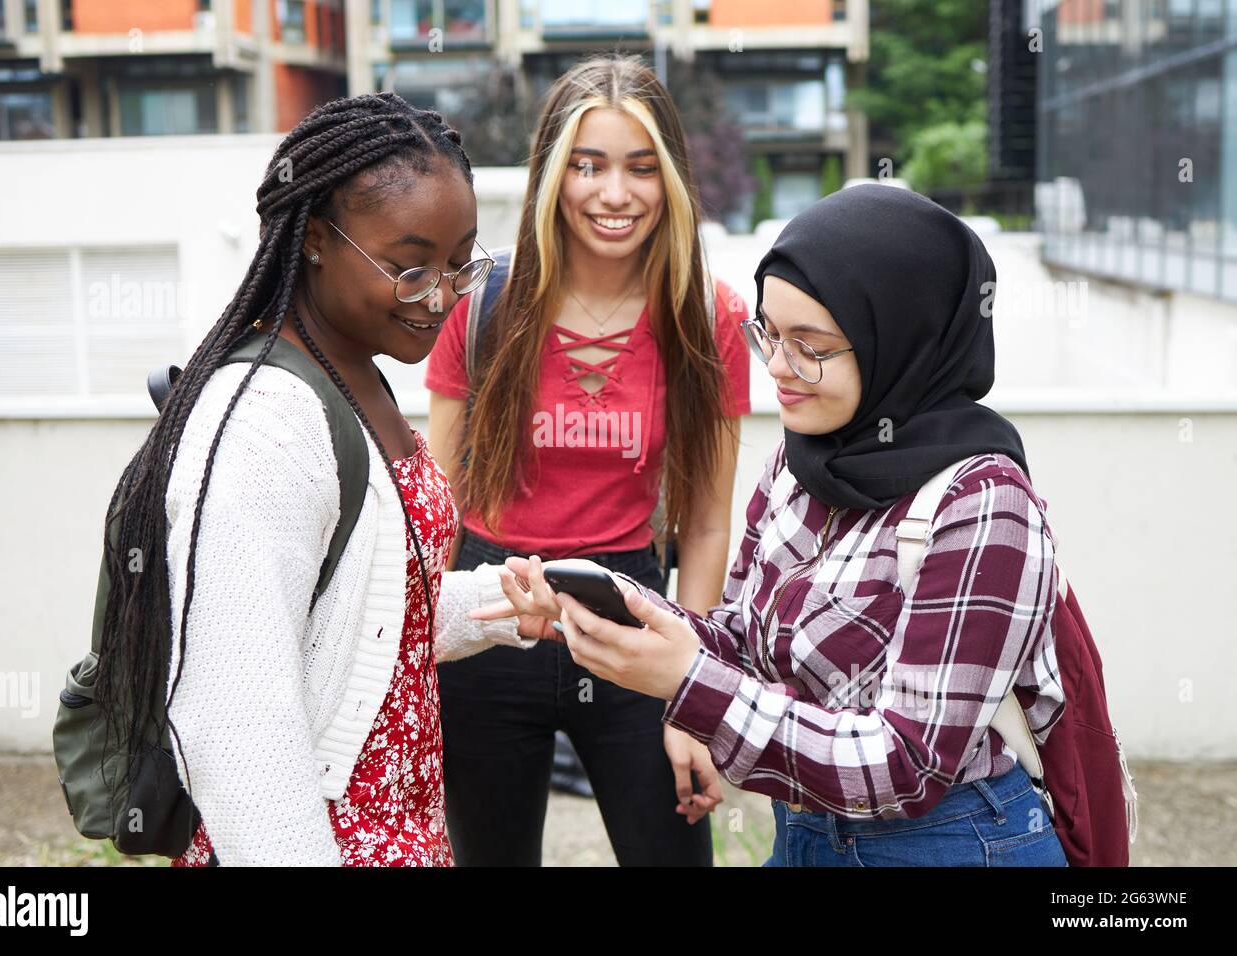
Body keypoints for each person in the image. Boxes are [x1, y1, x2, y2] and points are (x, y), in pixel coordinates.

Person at [481, 184, 1070, 867]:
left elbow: (905, 764)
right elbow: (742, 635)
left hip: (948, 842)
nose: (780, 371)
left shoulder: (983, 505)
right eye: (769, 335)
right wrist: (611, 613)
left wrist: (687, 682)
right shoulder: (801, 464)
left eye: (812, 347)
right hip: (807, 831)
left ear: (901, 338)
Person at [90, 93, 540, 867]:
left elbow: (357, 619)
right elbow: (235, 723)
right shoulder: (267, 422)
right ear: (319, 243)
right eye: (407, 269)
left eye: (460, 262)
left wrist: (506, 603)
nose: (440, 298)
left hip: (400, 839)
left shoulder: (358, 366)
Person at [424, 54, 751, 866]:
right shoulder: (481, 305)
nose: (614, 194)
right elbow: (433, 509)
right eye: (588, 165)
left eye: (641, 168)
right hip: (491, 615)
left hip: (634, 616)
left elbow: (707, 523)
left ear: (671, 178)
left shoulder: (710, 318)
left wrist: (692, 693)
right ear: (552, 174)